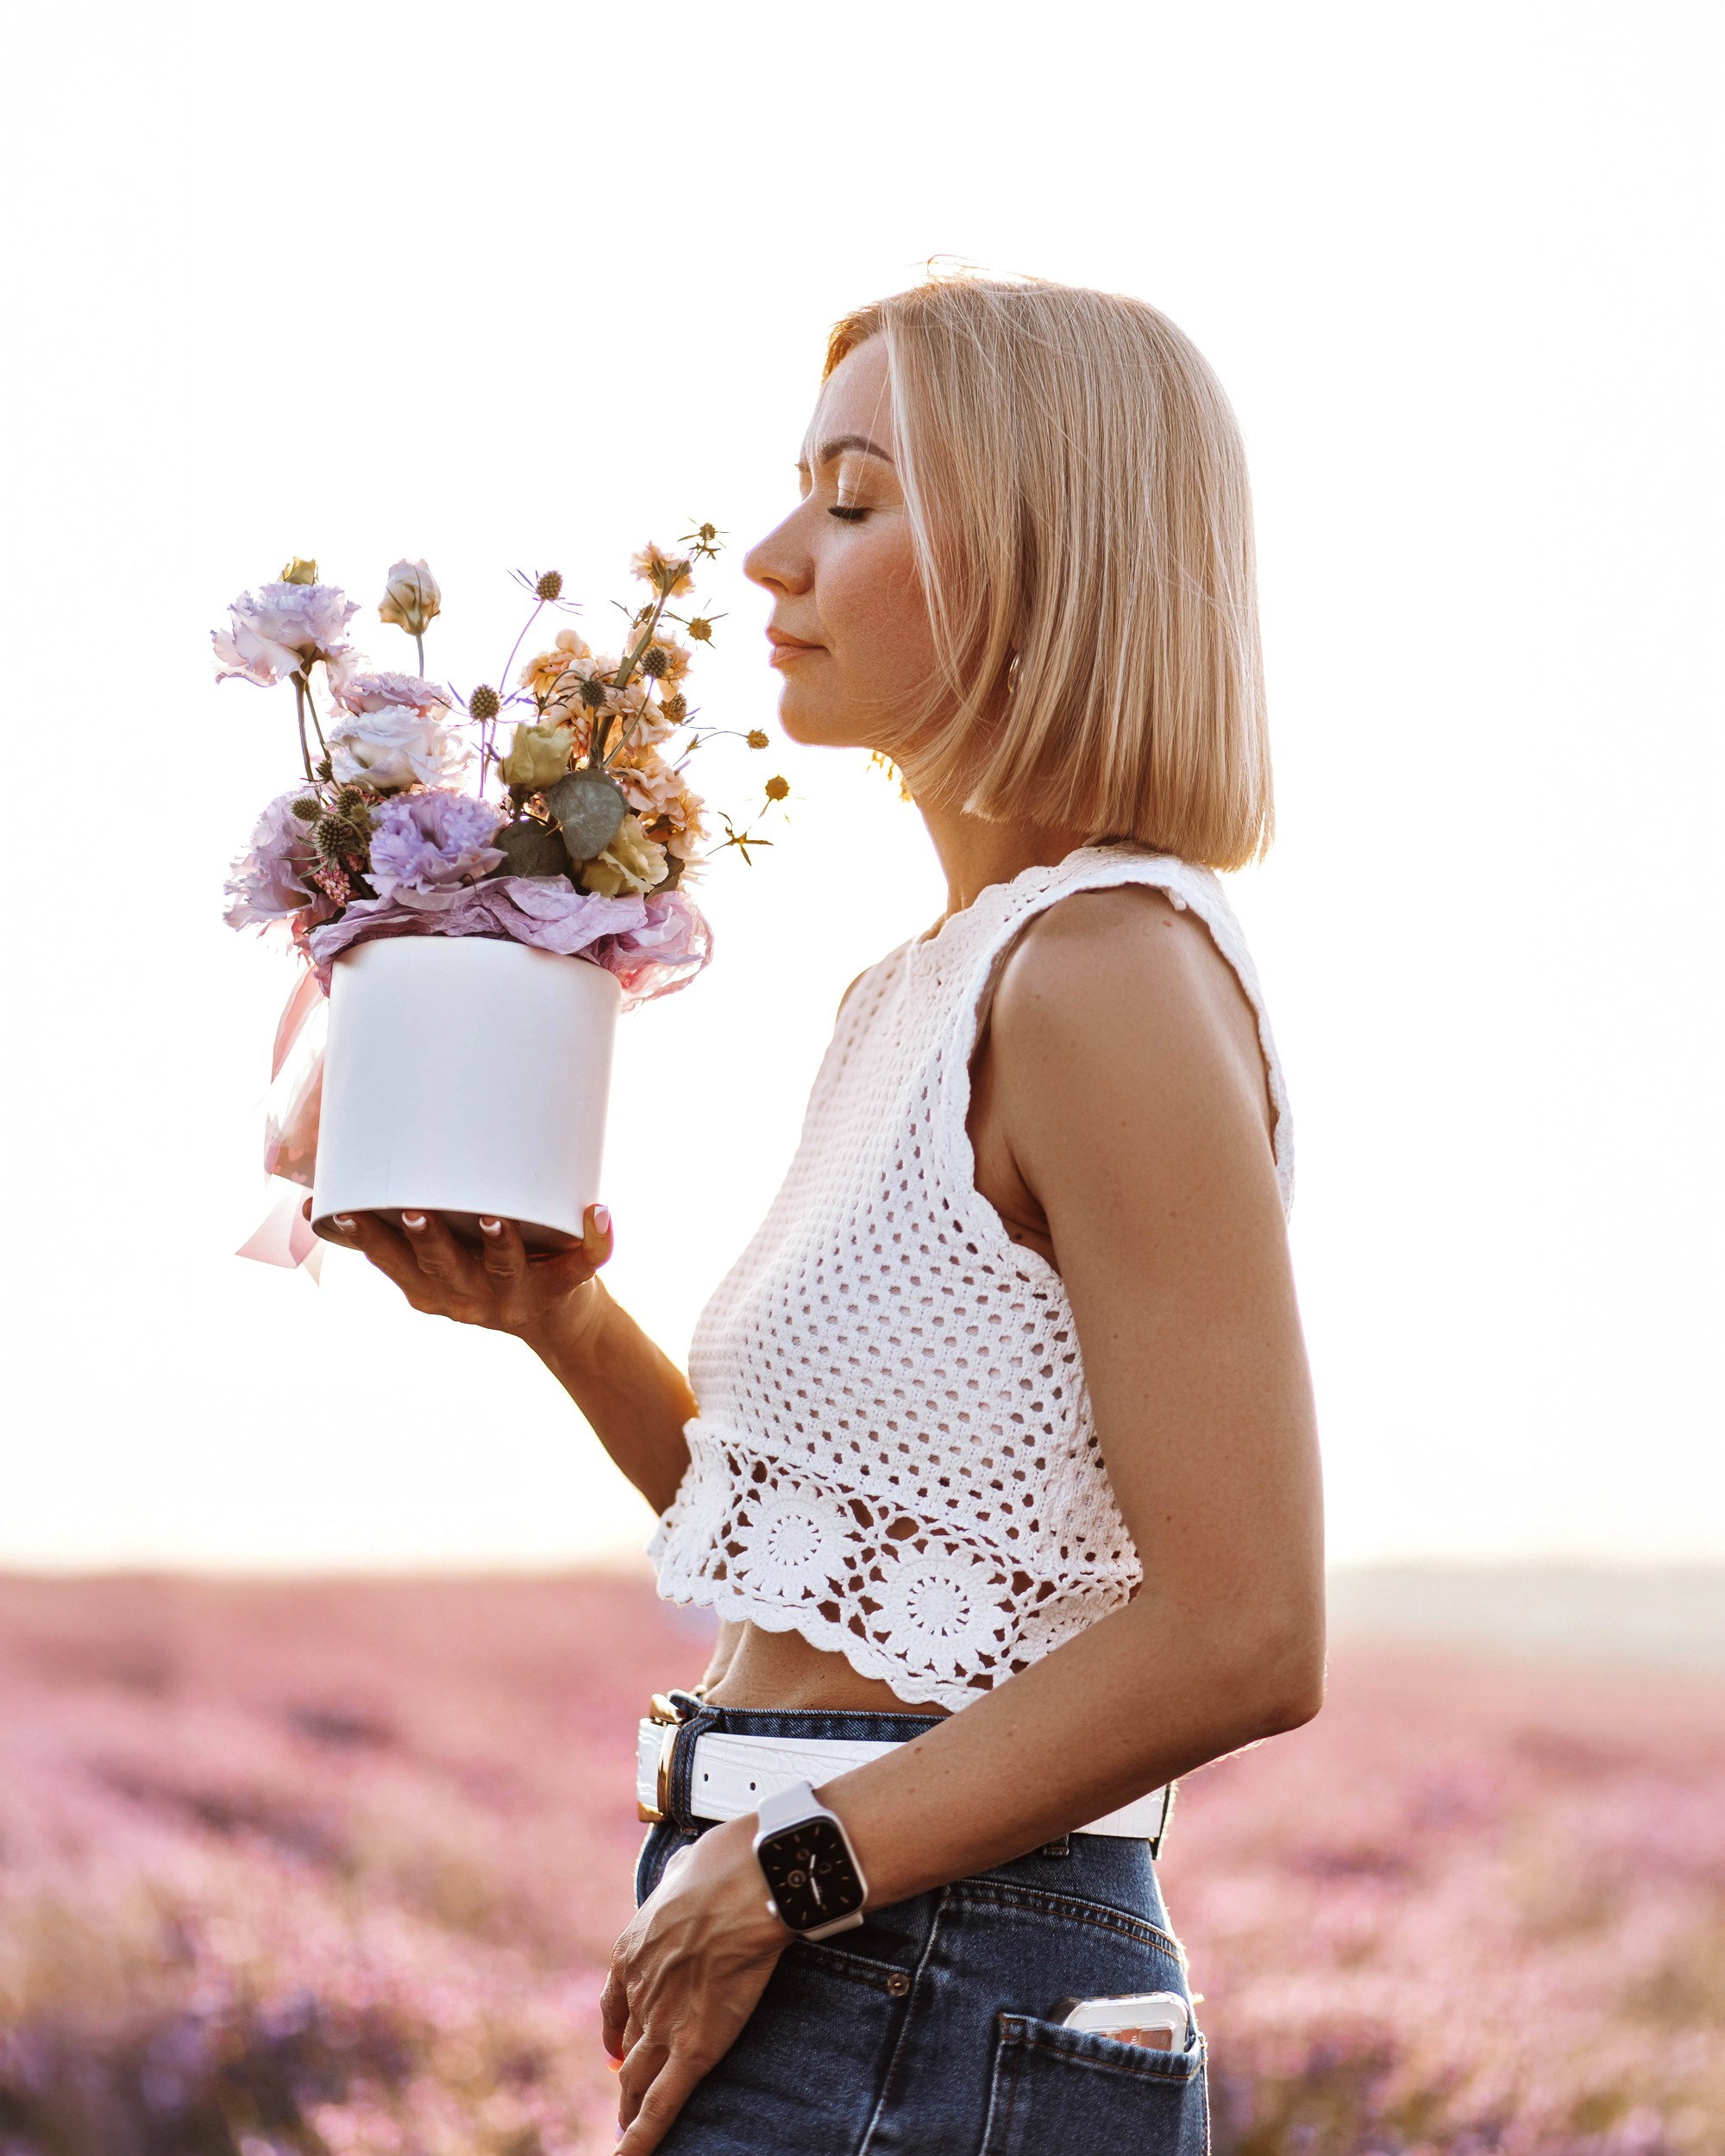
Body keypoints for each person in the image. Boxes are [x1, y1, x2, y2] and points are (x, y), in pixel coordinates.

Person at [323, 273, 1324, 2155]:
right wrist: (562, 1321)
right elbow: (844, 1559)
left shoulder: (1104, 969)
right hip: (856, 1926)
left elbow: (1245, 1627)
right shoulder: (929, 987)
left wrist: (788, 1868)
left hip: (918, 1951)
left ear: (1044, 555)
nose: (776, 554)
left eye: (855, 499)